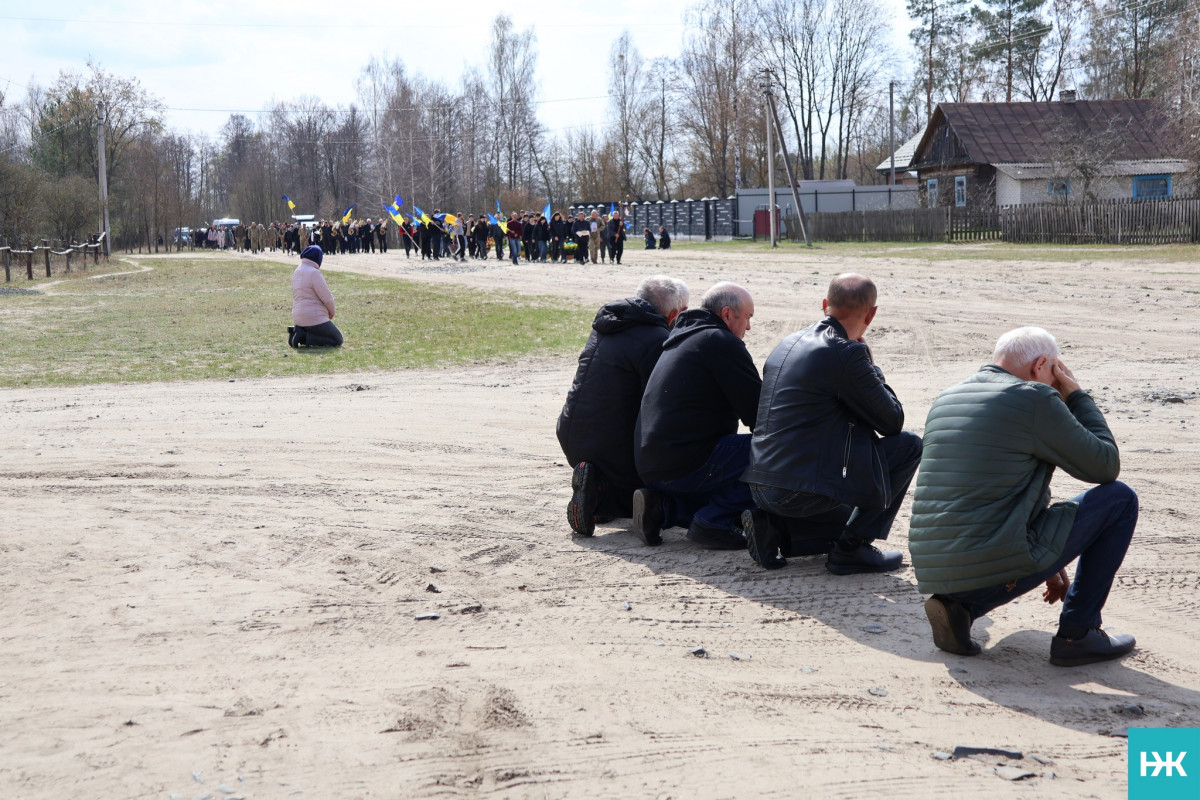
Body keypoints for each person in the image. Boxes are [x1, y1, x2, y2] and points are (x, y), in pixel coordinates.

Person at [909, 326, 1137, 666]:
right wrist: (1076, 395)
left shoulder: (948, 397)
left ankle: (960, 605)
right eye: (1057, 370)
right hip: (986, 552)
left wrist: (1050, 549)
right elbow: (1105, 466)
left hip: (934, 566)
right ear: (1042, 363)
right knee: (1119, 499)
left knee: (985, 548)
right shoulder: (1034, 397)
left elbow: (994, 486)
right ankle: (1079, 634)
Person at [741, 274, 920, 575]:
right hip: (795, 490)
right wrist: (871, 366)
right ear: (872, 313)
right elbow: (892, 421)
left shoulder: (788, 343)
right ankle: (852, 550)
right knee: (909, 446)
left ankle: (775, 529)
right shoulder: (846, 353)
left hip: (761, 484)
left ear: (825, 305)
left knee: (847, 514)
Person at [558, 276, 691, 535]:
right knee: (657, 471)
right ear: (676, 313)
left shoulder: (606, 325)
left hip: (572, 435)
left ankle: (597, 495)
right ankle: (602, 494)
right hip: (613, 447)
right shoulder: (658, 338)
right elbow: (661, 404)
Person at [633, 282, 761, 550]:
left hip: (652, 465)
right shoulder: (721, 342)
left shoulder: (679, 338)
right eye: (747, 317)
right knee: (776, 451)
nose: (748, 327)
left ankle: (664, 508)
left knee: (730, 464)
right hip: (686, 463)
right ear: (727, 314)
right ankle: (713, 521)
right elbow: (759, 415)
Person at [288, 245, 343, 348]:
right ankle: (303, 337)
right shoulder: (314, 273)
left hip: (297, 316)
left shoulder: (297, 271)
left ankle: (298, 332)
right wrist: (332, 312)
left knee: (319, 331)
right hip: (314, 317)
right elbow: (327, 298)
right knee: (337, 339)